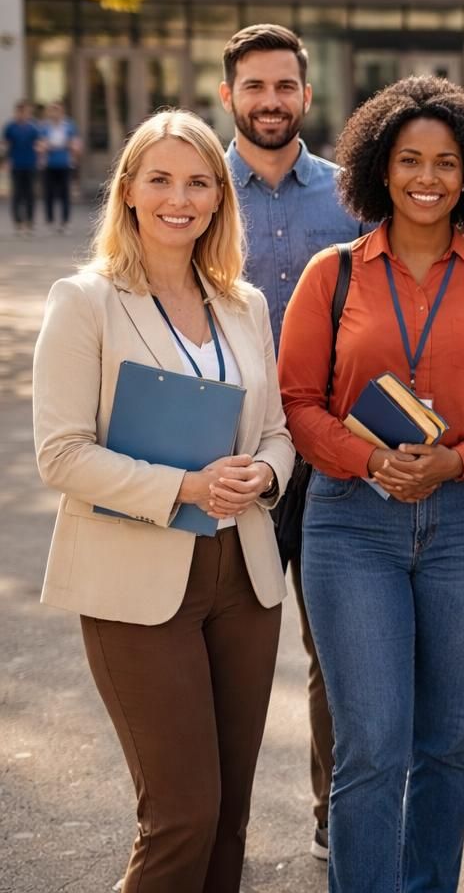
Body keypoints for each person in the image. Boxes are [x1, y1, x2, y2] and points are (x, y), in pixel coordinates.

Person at [278, 76, 464, 892]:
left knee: (446, 744)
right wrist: (369, 461)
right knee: (371, 745)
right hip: (352, 524)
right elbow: (298, 402)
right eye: (409, 160)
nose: (428, 177)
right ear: (379, 169)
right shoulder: (332, 274)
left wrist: (457, 460)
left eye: (447, 162)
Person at [33, 109, 294, 892]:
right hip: (136, 582)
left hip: (243, 577)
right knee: (182, 817)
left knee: (230, 815)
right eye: (161, 180)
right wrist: (184, 486)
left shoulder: (244, 303)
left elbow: (276, 431)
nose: (180, 199)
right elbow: (61, 453)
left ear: (220, 196)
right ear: (129, 190)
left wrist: (264, 474)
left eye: (198, 182)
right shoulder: (86, 300)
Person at [217, 22, 361, 861]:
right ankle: (209, 827)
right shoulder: (199, 192)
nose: (270, 101)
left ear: (306, 95)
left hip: (328, 452)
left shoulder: (350, 195)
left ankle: (335, 814)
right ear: (229, 94)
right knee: (224, 651)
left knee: (336, 650)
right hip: (228, 456)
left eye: (284, 87)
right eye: (254, 87)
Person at [38, 100, 81, 233]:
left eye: (57, 110)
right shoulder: (44, 127)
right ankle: (50, 220)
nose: (55, 113)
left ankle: (65, 222)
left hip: (65, 163)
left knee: (65, 194)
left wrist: (72, 150)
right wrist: (45, 147)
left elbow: (75, 144)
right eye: (53, 110)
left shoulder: (69, 126)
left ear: (62, 111)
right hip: (49, 164)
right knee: (49, 193)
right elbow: (41, 144)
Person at [5, 100, 41, 234]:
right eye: (20, 112)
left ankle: (30, 222)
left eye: (25, 112)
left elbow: (38, 144)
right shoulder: (10, 128)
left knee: (30, 194)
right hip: (16, 164)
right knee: (17, 194)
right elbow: (6, 145)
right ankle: (18, 222)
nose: (23, 114)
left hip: (30, 164)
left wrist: (40, 158)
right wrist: (5, 161)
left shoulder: (33, 128)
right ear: (17, 112)